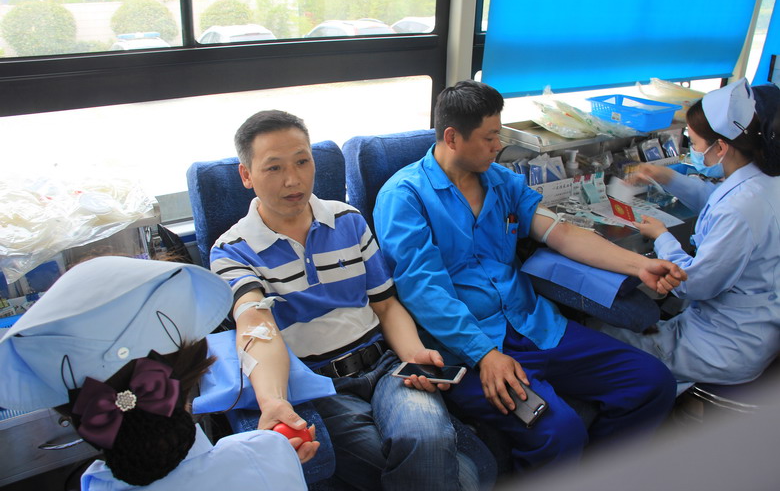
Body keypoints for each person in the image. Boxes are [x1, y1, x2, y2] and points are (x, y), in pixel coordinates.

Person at [372, 80, 686, 473]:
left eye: (499, 135)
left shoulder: (503, 182)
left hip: (534, 325)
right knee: (560, 431)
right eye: (489, 138)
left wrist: (639, 264)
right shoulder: (405, 197)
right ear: (452, 137)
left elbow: (562, 234)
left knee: (652, 383)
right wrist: (485, 355)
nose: (497, 146)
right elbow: (424, 289)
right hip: (466, 346)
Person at [209, 109, 494, 490]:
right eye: (273, 168)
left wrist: (414, 354)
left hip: (387, 368)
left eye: (302, 161)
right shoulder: (232, 250)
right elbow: (256, 325)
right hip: (318, 385)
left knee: (424, 438)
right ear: (246, 175)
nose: (293, 179)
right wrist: (273, 400)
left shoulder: (348, 220)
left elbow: (385, 304)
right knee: (464, 476)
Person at [0, 256, 310, 490]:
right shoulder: (270, 454)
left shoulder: (94, 484)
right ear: (194, 364)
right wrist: (273, 457)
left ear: (73, 411)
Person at [599, 78, 780, 394]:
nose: (692, 151)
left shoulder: (740, 209)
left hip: (723, 346)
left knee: (601, 338)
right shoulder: (763, 179)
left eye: (693, 144)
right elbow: (717, 199)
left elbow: (693, 283)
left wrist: (662, 236)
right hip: (754, 327)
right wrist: (665, 175)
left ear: (720, 147)